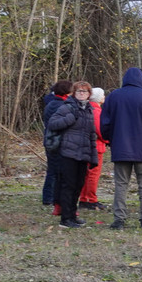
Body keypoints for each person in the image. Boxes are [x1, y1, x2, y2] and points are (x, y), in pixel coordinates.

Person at [98, 66, 142, 229]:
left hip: (120, 148)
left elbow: (104, 123)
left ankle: (119, 219)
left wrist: (110, 140)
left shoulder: (114, 96)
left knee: (121, 184)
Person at [45, 82, 97, 228]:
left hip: (83, 153)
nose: (82, 94)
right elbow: (52, 124)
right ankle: (66, 218)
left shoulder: (88, 110)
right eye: (79, 91)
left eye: (85, 91)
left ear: (89, 94)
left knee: (78, 186)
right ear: (74, 93)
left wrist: (93, 156)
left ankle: (73, 215)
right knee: (68, 185)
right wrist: (69, 119)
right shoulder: (66, 107)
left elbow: (92, 134)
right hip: (67, 153)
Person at [40, 80, 71, 211]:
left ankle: (49, 196)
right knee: (55, 171)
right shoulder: (61, 105)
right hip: (56, 141)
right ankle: (49, 197)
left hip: (50, 141)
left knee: (52, 170)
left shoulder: (51, 103)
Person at [78, 87, 106, 210]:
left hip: (87, 146)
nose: (104, 97)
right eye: (103, 95)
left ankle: (84, 198)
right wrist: (108, 140)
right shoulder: (96, 111)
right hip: (96, 147)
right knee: (93, 174)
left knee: (86, 174)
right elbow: (100, 130)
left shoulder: (87, 108)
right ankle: (90, 199)